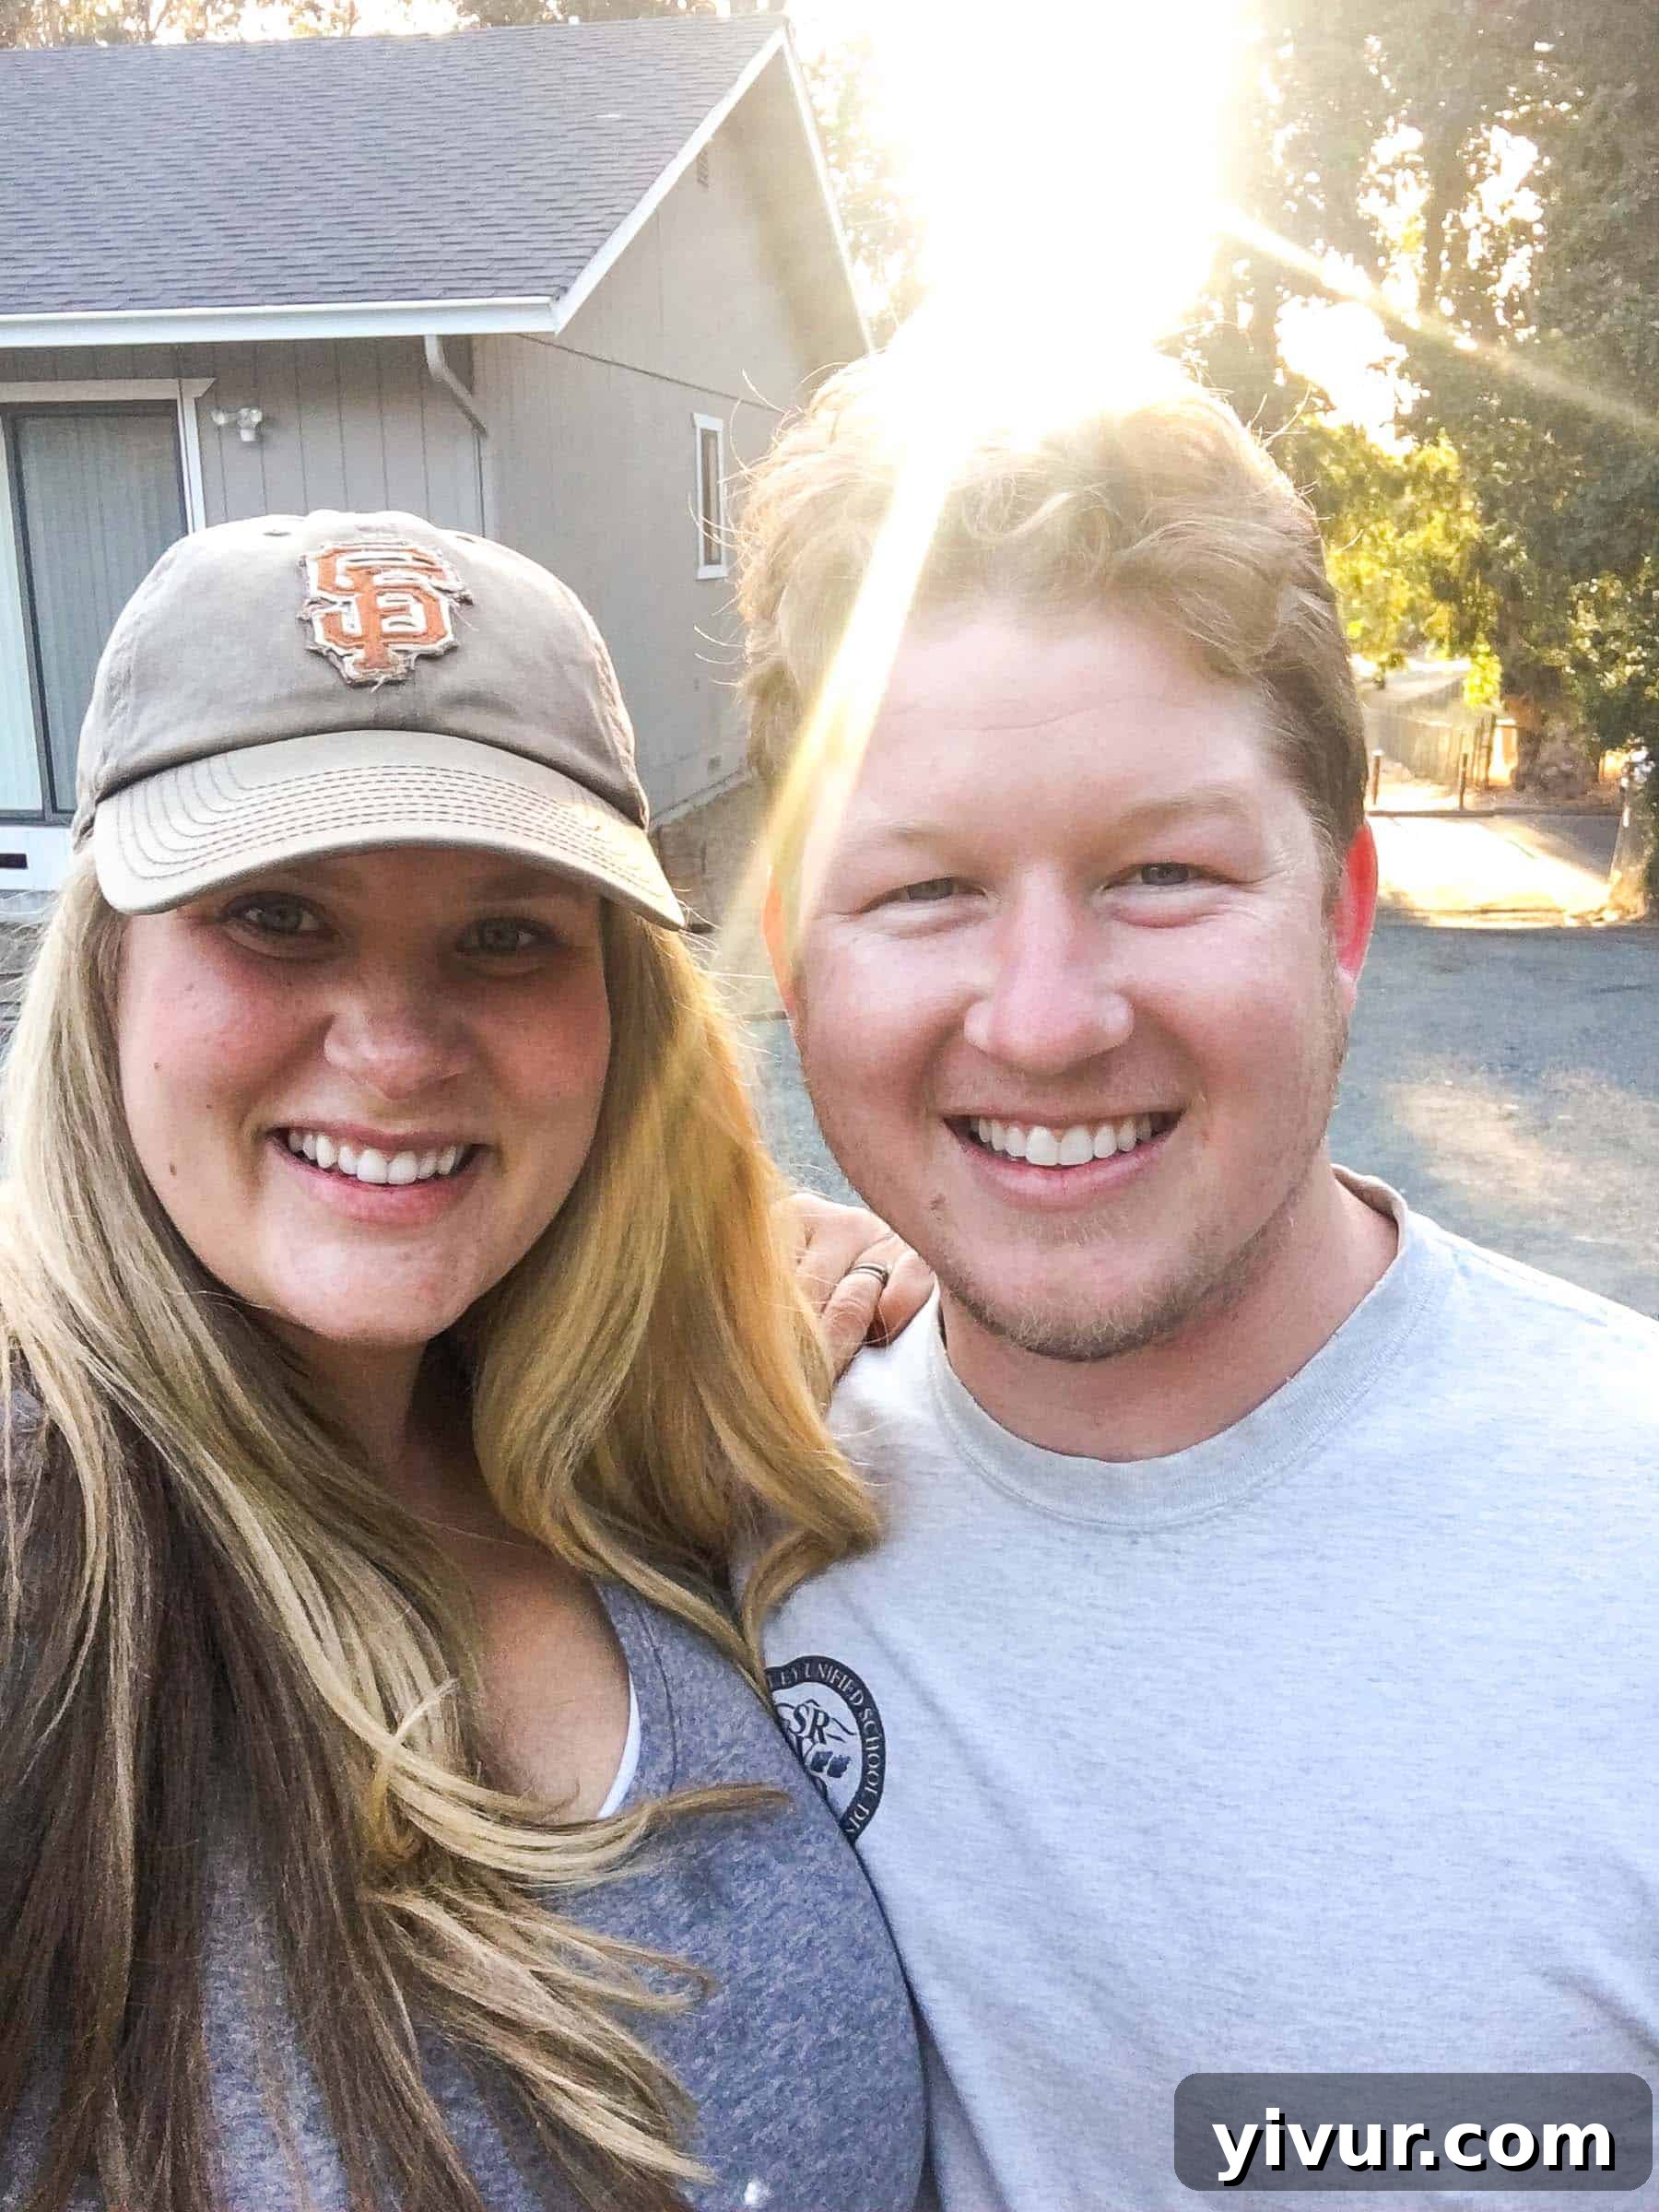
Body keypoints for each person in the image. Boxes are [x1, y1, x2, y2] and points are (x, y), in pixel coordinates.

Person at [735, 352, 1659, 2209]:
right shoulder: (732, 1498)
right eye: (923, 891)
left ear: (1338, 910)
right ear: (793, 952)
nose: (1050, 1017)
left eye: (1160, 871)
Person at [0, 512, 926, 2212]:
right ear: (109, 973)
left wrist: (738, 1356)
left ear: (616, 1013)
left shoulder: (641, 1466)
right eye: (278, 915)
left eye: (507, 936)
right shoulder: (44, 1563)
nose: (400, 1049)